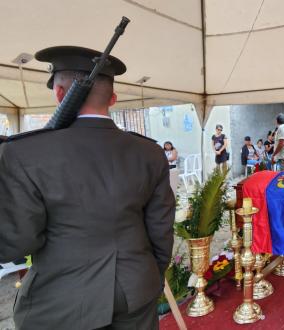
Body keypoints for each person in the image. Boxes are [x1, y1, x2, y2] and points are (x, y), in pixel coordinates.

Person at [0, 46, 175, 329]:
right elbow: (161, 231)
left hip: (61, 301)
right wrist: (149, 276)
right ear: (112, 98)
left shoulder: (22, 153)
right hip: (136, 289)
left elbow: (16, 244)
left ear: (59, 93)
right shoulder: (149, 152)